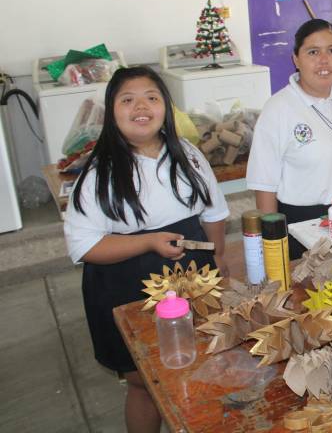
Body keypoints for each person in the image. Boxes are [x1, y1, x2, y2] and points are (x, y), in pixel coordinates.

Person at [64, 66, 229, 433]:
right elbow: (84, 245)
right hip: (126, 284)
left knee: (200, 364)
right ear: (112, 111)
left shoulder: (187, 153)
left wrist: (218, 257)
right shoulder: (99, 172)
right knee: (145, 381)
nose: (142, 107)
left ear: (166, 108)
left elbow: (214, 211)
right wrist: (148, 241)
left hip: (193, 278)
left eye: (152, 98)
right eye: (128, 100)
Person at [246, 19, 332, 260]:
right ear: (296, 59)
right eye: (313, 52)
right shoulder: (278, 109)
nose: (324, 60)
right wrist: (272, 251)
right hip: (304, 227)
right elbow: (265, 187)